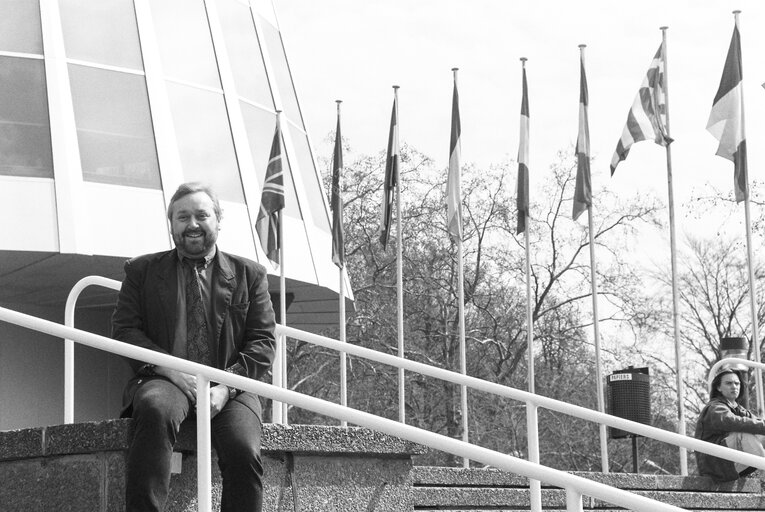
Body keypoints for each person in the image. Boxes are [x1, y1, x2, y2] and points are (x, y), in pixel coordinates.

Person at [112, 182, 276, 511]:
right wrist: (171, 371)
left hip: (231, 388)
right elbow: (125, 330)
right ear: (170, 223)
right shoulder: (140, 272)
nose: (192, 224)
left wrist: (225, 388)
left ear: (218, 220)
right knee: (155, 410)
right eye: (182, 217)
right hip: (163, 379)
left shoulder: (250, 275)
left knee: (243, 449)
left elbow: (263, 342)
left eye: (202, 215)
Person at [694, 368, 765, 482]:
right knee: (743, 433)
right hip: (714, 467)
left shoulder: (738, 408)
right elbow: (731, 421)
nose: (734, 386)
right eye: (729, 383)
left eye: (737, 383)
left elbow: (757, 422)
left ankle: (758, 471)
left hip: (730, 464)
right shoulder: (714, 407)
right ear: (718, 387)